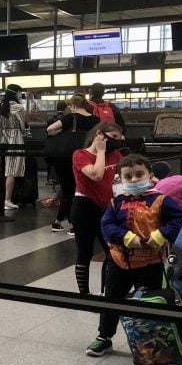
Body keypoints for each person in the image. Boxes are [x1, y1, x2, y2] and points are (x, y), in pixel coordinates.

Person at [84, 154, 182, 357]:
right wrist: (126, 237)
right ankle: (104, 336)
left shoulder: (162, 201)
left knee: (149, 303)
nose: (134, 180)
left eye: (139, 175)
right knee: (111, 300)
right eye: (128, 176)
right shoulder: (116, 202)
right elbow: (106, 225)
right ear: (120, 179)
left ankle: (152, 343)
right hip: (119, 262)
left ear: (150, 175)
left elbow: (180, 220)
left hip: (151, 264)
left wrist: (160, 235)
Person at [71, 121, 125, 295]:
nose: (117, 141)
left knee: (111, 250)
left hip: (106, 207)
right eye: (114, 137)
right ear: (100, 134)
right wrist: (100, 151)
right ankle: (83, 293)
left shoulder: (115, 154)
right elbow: (96, 174)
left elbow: (120, 176)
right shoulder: (80, 155)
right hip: (84, 206)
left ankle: (106, 290)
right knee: (85, 251)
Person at [46, 95, 100, 232]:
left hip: (65, 156)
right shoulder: (96, 120)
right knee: (79, 189)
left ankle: (73, 225)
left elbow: (50, 129)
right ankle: (58, 221)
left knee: (68, 189)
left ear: (73, 106)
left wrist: (62, 134)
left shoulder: (70, 118)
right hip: (87, 157)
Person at [0, 84, 27, 210]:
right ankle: (7, 199)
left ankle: (0, 199)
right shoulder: (19, 107)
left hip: (2, 139)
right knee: (12, 170)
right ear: (16, 94)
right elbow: (22, 125)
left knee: (2, 169)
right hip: (15, 138)